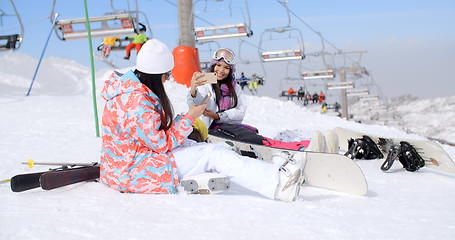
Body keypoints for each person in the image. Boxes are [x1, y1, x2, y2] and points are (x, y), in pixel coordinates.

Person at [99, 40, 305, 202]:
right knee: (213, 154)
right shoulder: (136, 101)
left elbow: (151, 134)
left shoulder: (128, 91)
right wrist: (190, 116)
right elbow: (161, 143)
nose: (168, 79)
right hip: (136, 170)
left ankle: (268, 167)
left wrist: (190, 118)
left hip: (126, 165)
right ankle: (278, 184)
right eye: (166, 74)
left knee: (196, 146)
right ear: (154, 74)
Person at [187, 48, 312, 151]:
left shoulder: (234, 87)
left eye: (226, 67)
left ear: (230, 70)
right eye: (218, 65)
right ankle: (293, 148)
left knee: (254, 138)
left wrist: (219, 115)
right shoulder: (206, 83)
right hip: (211, 131)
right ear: (213, 66)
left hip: (228, 127)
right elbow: (195, 106)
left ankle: (300, 146)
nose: (221, 70)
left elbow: (240, 110)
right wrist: (193, 88)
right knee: (252, 140)